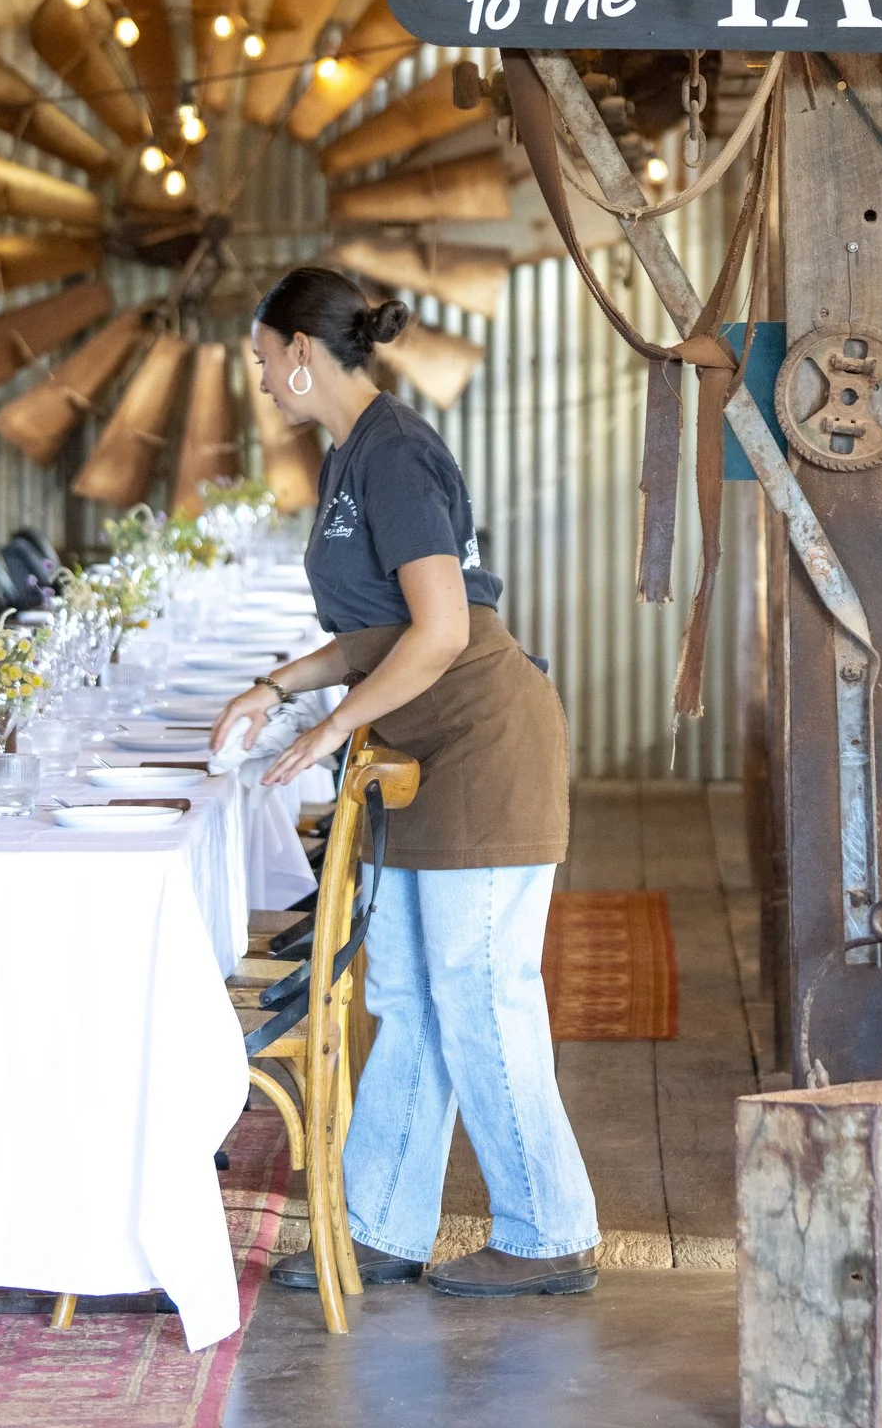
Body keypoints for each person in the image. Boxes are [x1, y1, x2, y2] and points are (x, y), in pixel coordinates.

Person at [218, 266, 600, 1299]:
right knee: (408, 995)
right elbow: (374, 630)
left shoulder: (393, 453)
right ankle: (384, 1223)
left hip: (479, 743)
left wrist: (332, 723)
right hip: (417, 756)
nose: (259, 378)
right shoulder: (351, 453)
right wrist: (278, 686)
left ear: (303, 350)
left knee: (481, 992)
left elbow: (440, 627)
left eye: (262, 358)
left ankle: (549, 1230)